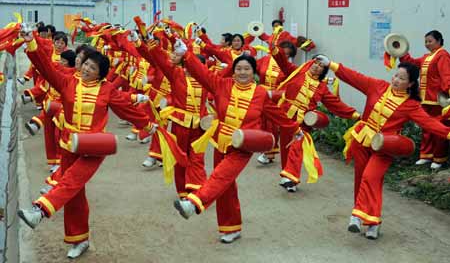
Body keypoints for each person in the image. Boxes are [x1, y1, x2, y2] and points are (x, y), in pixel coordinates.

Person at [17, 32, 154, 259]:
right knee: (75, 195)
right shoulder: (68, 81)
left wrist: (148, 125)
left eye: (93, 67)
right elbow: (46, 67)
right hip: (69, 144)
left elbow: (125, 110)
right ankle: (80, 239)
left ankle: (39, 210)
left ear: (101, 73)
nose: (87, 69)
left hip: (93, 147)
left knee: (69, 183)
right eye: (87, 64)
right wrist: (31, 43)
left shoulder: (107, 89)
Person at [316, 55, 450, 240]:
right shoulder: (377, 86)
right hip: (363, 141)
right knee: (363, 180)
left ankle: (356, 215)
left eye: (402, 79)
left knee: (371, 178)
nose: (396, 80)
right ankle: (372, 222)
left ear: (410, 84)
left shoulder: (411, 105)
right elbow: (355, 77)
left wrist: (448, 133)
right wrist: (330, 64)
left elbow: (429, 123)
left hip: (385, 147)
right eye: (396, 76)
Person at [173, 48, 299, 244]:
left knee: (220, 176)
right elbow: (202, 72)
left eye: (246, 69)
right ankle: (230, 227)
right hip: (221, 142)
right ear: (233, 71)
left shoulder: (260, 94)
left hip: (243, 145)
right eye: (238, 68)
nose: (242, 72)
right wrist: (186, 54)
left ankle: (194, 203)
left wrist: (295, 128)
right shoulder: (221, 85)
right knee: (226, 185)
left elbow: (277, 114)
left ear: (253, 72)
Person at [270, 44, 359, 192]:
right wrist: (275, 50)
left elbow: (335, 103)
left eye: (321, 66)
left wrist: (354, 114)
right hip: (286, 115)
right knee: (286, 147)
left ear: (324, 71)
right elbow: (282, 62)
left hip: (304, 121)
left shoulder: (322, 87)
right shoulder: (296, 72)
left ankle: (291, 177)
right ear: (310, 63)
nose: (317, 67)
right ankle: (288, 176)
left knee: (297, 146)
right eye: (315, 63)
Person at [133, 33, 208, 198]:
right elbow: (160, 60)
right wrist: (148, 41)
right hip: (180, 124)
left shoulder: (207, 81)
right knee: (180, 158)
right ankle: (182, 192)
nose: (194, 69)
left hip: (200, 127)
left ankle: (197, 188)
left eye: (199, 67)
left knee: (197, 158)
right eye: (191, 66)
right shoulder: (177, 75)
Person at [399, 30, 450, 169]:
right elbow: (412, 63)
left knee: (439, 129)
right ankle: (426, 155)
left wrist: (448, 92)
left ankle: (439, 158)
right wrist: (401, 52)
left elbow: (446, 75)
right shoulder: (427, 56)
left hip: (437, 100)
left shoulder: (443, 55)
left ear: (439, 41)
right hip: (425, 99)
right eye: (426, 41)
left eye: (430, 41)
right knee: (426, 128)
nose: (427, 44)